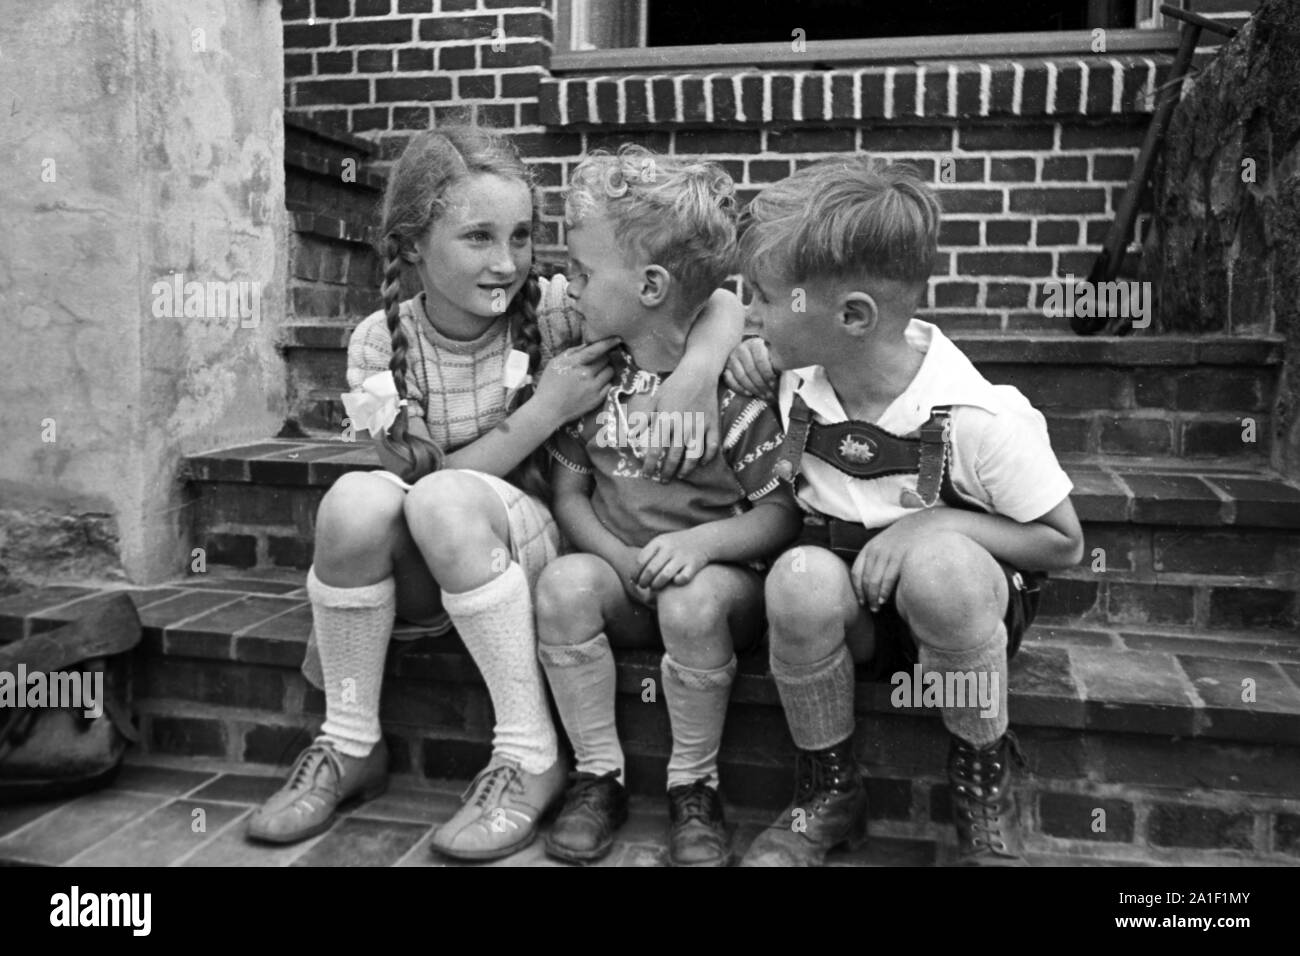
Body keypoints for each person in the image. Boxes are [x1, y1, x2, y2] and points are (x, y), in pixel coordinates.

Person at [246, 124, 744, 861]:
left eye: (520, 236)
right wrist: (547, 410)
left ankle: (528, 751)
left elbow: (712, 298)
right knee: (353, 500)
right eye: (477, 237)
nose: (507, 262)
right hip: (433, 564)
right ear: (413, 243)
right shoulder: (377, 346)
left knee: (441, 503)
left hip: (539, 557)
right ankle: (349, 739)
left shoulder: (555, 306)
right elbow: (419, 484)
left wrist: (699, 374)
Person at [724, 156, 1085, 866]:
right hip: (853, 609)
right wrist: (747, 355)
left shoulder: (980, 416)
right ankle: (829, 791)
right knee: (795, 575)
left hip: (956, 621)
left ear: (853, 316)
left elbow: (1063, 543)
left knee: (943, 567)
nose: (750, 313)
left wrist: (934, 521)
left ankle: (982, 776)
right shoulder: (798, 377)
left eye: (763, 298)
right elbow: (732, 338)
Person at [535, 146, 802, 867]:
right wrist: (617, 558)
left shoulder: (733, 392)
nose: (571, 288)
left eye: (586, 274)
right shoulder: (592, 379)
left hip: (718, 587)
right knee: (560, 585)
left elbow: (781, 514)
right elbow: (569, 493)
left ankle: (694, 783)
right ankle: (598, 774)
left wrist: (701, 548)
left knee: (690, 602)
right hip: (623, 574)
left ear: (650, 285)